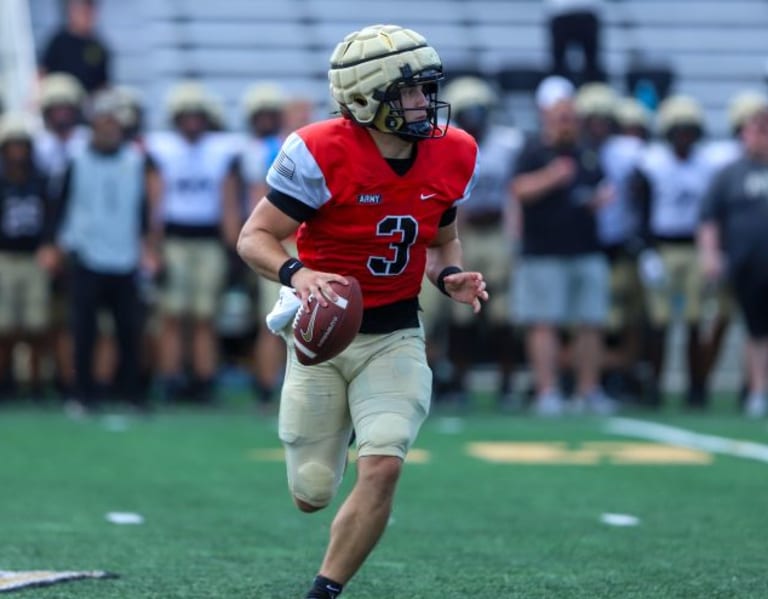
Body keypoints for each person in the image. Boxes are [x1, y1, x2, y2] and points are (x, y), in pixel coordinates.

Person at [237, 24, 486, 599]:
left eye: (427, 88)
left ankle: (325, 590)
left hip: (395, 332)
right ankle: (345, 427)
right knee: (312, 493)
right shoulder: (322, 150)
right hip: (320, 336)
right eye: (411, 91)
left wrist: (450, 276)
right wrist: (299, 273)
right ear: (367, 98)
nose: (426, 102)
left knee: (384, 465)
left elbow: (442, 240)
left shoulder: (453, 151)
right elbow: (255, 237)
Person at [42, 90, 156, 412]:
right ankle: (81, 394)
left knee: (129, 330)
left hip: (124, 255)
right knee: (83, 332)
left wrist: (147, 246)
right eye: (103, 122)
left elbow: (143, 209)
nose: (109, 129)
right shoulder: (75, 159)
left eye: (114, 123)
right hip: (85, 254)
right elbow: (59, 205)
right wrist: (54, 245)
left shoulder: (135, 159)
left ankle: (132, 394)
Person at [511, 76, 615, 416]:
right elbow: (519, 190)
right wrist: (552, 176)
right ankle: (548, 390)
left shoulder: (587, 151)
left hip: (585, 247)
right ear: (547, 116)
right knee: (544, 322)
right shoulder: (533, 149)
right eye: (561, 116)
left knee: (591, 321)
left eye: (571, 116)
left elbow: (601, 187)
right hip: (543, 250)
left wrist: (599, 199)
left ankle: (588, 389)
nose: (567, 122)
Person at [146, 81, 240, 403]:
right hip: (173, 239)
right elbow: (155, 201)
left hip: (209, 241)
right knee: (172, 315)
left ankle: (203, 380)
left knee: (204, 317)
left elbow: (228, 203)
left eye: (197, 115)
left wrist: (233, 249)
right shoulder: (162, 149)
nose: (192, 121)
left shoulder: (220, 150)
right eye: (186, 115)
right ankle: (170, 380)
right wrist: (153, 246)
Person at [632, 95, 725, 409]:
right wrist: (645, 251)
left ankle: (696, 388)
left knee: (695, 322)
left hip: (696, 247)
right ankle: (653, 388)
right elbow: (639, 210)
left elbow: (715, 211)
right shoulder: (652, 163)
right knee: (657, 324)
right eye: (679, 131)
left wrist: (715, 251)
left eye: (690, 131)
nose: (684, 137)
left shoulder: (708, 164)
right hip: (664, 248)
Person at [440, 76, 523, 407]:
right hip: (465, 231)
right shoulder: (449, 145)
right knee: (462, 314)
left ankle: (507, 383)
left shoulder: (508, 144)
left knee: (502, 313)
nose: (474, 118)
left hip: (498, 230)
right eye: (468, 111)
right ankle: (459, 382)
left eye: (479, 110)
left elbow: (516, 190)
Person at [575, 83, 646, 401]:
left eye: (605, 119)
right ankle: (582, 377)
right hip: (581, 245)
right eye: (593, 119)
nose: (599, 126)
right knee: (584, 318)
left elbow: (650, 193)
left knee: (621, 317)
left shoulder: (629, 151)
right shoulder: (574, 150)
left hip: (619, 244)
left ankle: (619, 375)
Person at [699, 94, 768, 418]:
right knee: (754, 331)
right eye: (757, 129)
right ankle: (756, 390)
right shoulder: (729, 174)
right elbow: (709, 218)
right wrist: (711, 256)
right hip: (746, 265)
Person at [0, 113, 52, 400]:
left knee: (36, 325)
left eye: (22, 145)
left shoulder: (40, 180)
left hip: (34, 257)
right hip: (4, 256)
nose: (18, 152)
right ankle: (5, 381)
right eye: (13, 145)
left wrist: (49, 246)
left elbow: (52, 217)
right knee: (3, 326)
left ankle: (35, 383)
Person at [39, 0, 111, 94]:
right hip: (60, 100)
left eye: (88, 11)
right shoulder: (59, 41)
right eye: (81, 11)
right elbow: (42, 73)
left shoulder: (99, 47)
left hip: (87, 104)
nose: (85, 15)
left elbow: (103, 85)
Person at [545, 0, 605, 85]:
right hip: (560, 12)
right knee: (558, 67)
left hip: (587, 11)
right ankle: (559, 93)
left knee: (592, 68)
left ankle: (593, 93)